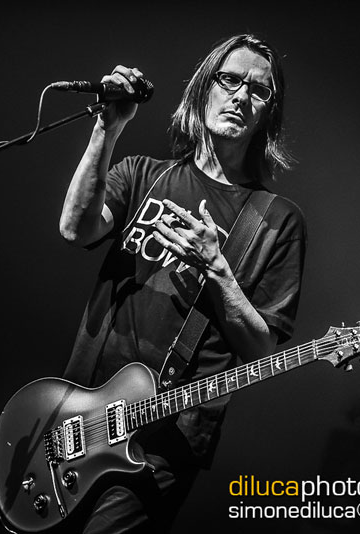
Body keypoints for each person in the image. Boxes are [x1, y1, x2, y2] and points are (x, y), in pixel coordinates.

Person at [58, 34, 306, 533]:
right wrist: (107, 127)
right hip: (78, 415)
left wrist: (217, 269)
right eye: (230, 80)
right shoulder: (143, 174)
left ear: (268, 114)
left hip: (163, 440)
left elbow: (261, 349)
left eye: (259, 90)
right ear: (203, 88)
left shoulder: (278, 221)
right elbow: (75, 228)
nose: (241, 96)